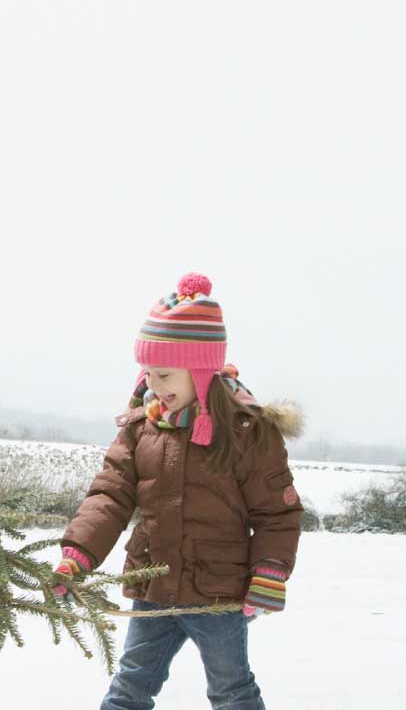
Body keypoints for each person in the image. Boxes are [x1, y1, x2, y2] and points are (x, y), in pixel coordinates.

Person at [54, 273, 303, 710]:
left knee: (232, 690)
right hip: (153, 585)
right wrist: (78, 554)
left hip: (219, 593)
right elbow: (109, 498)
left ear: (201, 370)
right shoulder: (139, 429)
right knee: (129, 687)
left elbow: (275, 514)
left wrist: (268, 572)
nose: (154, 384)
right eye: (148, 373)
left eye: (165, 373)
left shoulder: (247, 433)